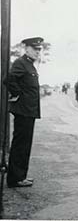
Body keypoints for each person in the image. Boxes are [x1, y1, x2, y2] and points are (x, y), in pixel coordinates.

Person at [4, 37, 45, 188]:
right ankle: (15, 178)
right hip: (23, 110)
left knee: (25, 144)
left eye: (39, 50)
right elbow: (8, 79)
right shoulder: (21, 63)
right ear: (26, 48)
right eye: (35, 49)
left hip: (29, 110)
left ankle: (21, 176)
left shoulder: (29, 65)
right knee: (20, 144)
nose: (37, 52)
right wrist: (18, 95)